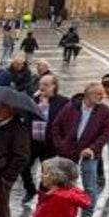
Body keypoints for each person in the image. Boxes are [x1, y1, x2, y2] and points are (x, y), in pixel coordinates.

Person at [49, 81, 109, 217]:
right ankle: (62, 210)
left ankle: (87, 214)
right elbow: (56, 126)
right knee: (64, 183)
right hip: (68, 151)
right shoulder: (71, 107)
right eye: (99, 93)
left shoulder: (104, 111)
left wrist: (93, 148)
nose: (102, 96)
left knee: (89, 185)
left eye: (102, 93)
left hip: (89, 153)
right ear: (88, 94)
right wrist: (60, 145)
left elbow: (106, 133)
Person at [21, 73, 69, 204]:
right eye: (41, 84)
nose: (42, 87)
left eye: (46, 85)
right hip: (33, 142)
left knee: (47, 173)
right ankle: (30, 189)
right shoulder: (32, 100)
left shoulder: (63, 102)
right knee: (23, 166)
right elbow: (25, 119)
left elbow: (66, 124)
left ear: (54, 86)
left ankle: (42, 197)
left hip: (50, 144)